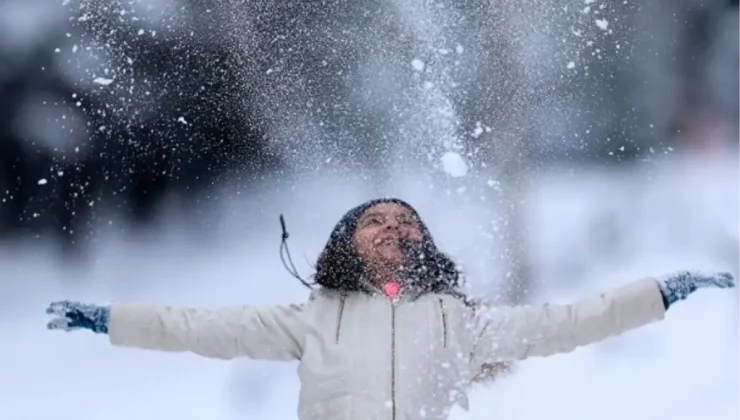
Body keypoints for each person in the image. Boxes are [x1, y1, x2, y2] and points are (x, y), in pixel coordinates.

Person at [46, 198, 734, 420]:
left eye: (407, 221)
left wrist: (660, 292)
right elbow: (195, 328)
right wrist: (108, 319)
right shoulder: (311, 317)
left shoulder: (458, 320)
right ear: (345, 242)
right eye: (375, 219)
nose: (394, 227)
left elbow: (569, 322)